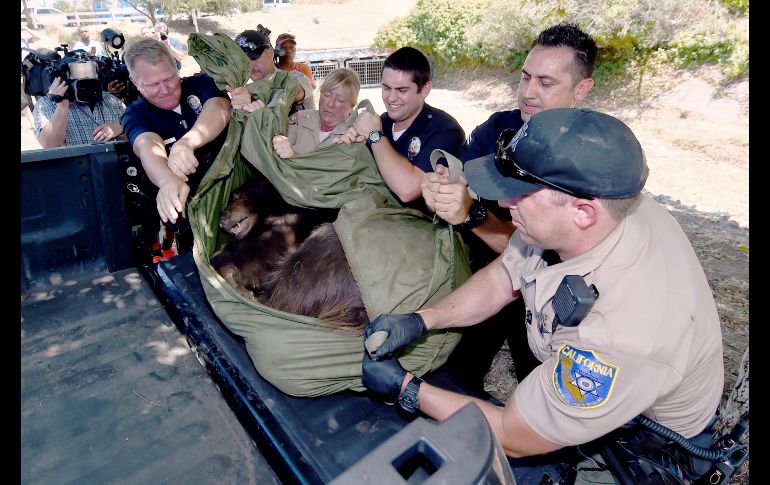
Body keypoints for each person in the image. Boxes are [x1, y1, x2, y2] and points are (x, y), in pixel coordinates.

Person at [361, 108, 725, 482]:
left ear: (583, 212)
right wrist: (423, 320)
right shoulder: (587, 211)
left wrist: (406, 388)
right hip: (618, 400)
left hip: (645, 443)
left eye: (518, 194)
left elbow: (512, 434)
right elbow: (504, 276)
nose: (504, 205)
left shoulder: (619, 335)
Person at [422, 23, 598, 388]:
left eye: (546, 83)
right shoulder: (500, 127)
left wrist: (472, 214)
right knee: (457, 375)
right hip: (490, 274)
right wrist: (442, 182)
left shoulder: (592, 161)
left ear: (582, 88)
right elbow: (460, 170)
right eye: (525, 78)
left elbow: (540, 262)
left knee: (543, 388)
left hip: (550, 295)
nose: (529, 94)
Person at [121, 37, 231, 260]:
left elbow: (220, 107)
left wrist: (186, 143)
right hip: (195, 217)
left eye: (169, 78)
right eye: (152, 84)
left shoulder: (201, 84)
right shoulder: (135, 114)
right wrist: (166, 180)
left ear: (176, 68)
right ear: (135, 81)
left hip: (233, 195)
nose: (165, 89)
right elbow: (147, 144)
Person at [335, 47, 464, 206]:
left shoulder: (445, 131)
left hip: (418, 224)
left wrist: (375, 137)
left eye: (402, 90)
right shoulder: (383, 122)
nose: (391, 98)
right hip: (370, 211)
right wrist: (352, 146)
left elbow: (407, 190)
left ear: (424, 89)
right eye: (386, 88)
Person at [272, 68, 360, 158]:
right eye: (327, 95)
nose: (330, 104)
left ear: (352, 106)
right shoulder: (299, 119)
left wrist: (293, 155)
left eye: (340, 100)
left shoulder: (354, 136)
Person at [227, 28, 314, 115]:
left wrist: (249, 90)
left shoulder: (296, 77)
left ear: (270, 53)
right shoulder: (246, 96)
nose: (250, 66)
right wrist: (241, 111)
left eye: (254, 57)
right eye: (243, 61)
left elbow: (292, 91)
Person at [33, 71, 126, 148]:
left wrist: (120, 129)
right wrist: (62, 107)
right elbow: (50, 145)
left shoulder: (111, 100)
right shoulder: (46, 103)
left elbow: (136, 137)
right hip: (74, 168)